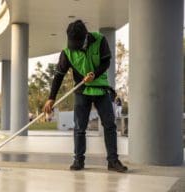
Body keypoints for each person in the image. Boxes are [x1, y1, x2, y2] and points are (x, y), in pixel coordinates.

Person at [43, 20, 128, 172]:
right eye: (72, 42)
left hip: (101, 89)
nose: (74, 46)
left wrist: (94, 75)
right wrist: (51, 97)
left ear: (85, 36)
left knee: (109, 125)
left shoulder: (100, 40)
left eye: (77, 42)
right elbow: (58, 75)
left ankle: (113, 161)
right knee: (80, 127)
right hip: (82, 91)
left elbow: (106, 62)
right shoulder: (67, 52)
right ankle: (78, 160)